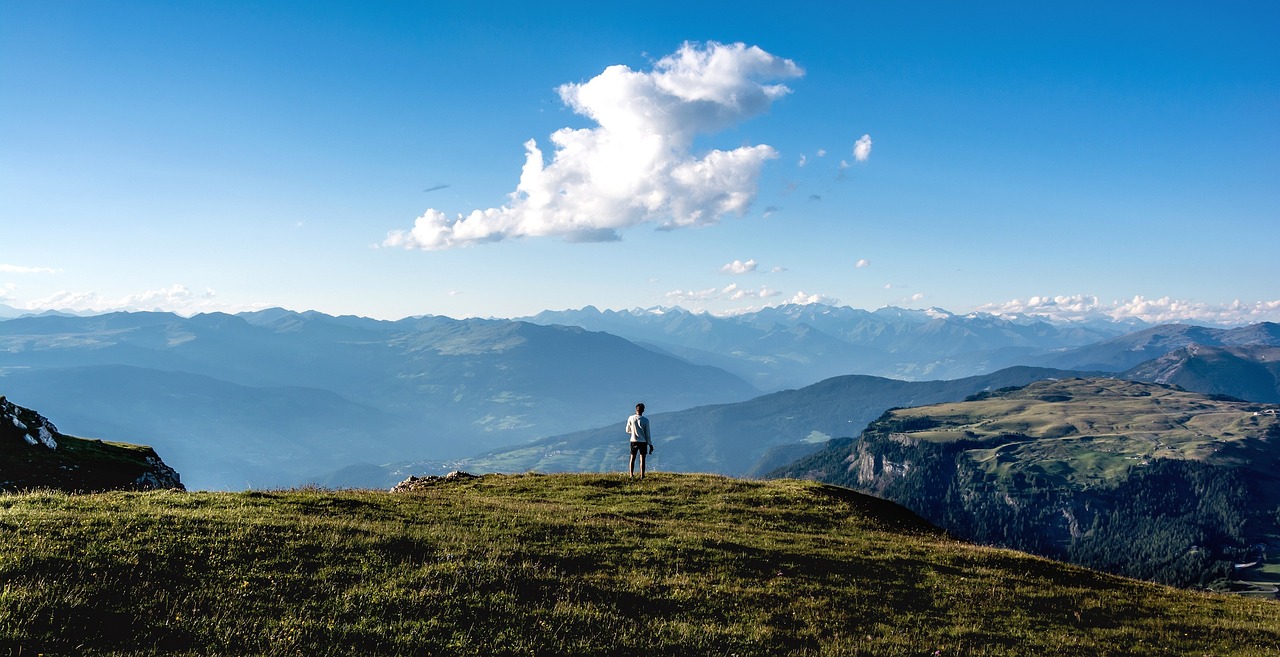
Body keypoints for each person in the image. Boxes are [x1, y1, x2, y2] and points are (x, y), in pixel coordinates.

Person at [625, 402, 653, 479]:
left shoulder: (631, 418)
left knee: (632, 458)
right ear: (643, 410)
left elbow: (627, 430)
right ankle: (642, 475)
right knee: (642, 459)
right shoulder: (645, 420)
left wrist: (633, 432)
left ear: (636, 409)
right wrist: (650, 444)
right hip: (643, 441)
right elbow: (647, 434)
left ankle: (631, 474)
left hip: (633, 440)